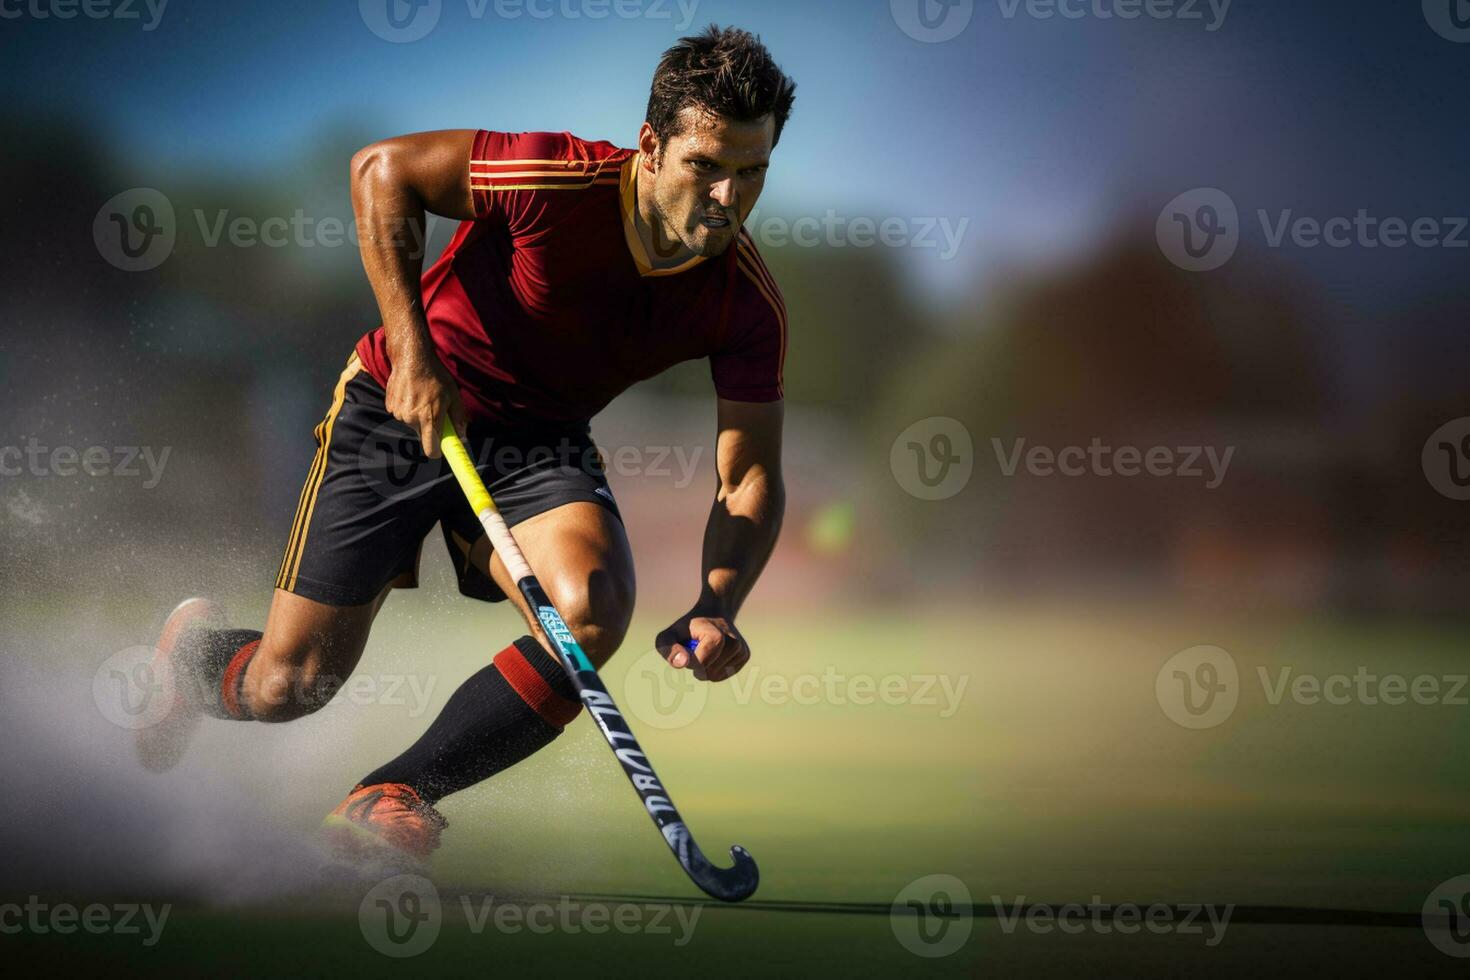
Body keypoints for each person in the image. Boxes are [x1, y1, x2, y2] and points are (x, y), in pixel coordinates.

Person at [138, 25, 796, 863]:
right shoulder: (553, 178)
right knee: (291, 685)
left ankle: (395, 790)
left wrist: (718, 603)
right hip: (398, 409)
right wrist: (412, 353)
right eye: (707, 165)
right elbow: (383, 170)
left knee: (590, 613)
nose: (728, 197)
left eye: (753, 172)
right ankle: (195, 662)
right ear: (652, 146)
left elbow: (746, 479)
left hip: (536, 446)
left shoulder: (745, 302)